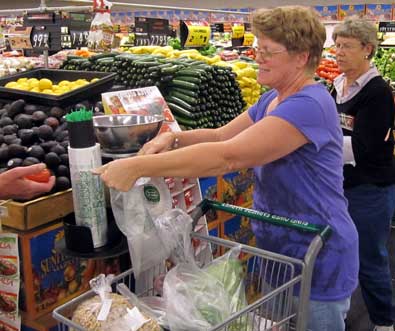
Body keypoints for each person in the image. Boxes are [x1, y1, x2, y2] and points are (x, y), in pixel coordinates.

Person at [93, 6, 358, 331]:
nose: (257, 57)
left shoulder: (309, 105)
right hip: (282, 250)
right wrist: (172, 140)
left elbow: (228, 156)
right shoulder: (273, 99)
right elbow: (220, 134)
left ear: (301, 57)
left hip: (320, 251)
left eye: (267, 51)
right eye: (257, 48)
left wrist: (138, 166)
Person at [332, 18, 395, 331]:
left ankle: (384, 320)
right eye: (337, 45)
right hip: (342, 184)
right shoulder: (339, 84)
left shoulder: (378, 92)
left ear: (368, 49)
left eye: (347, 46)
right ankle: (339, 312)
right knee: (340, 251)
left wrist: (317, 143)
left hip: (370, 188)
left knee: (370, 259)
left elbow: (364, 148)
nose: (338, 52)